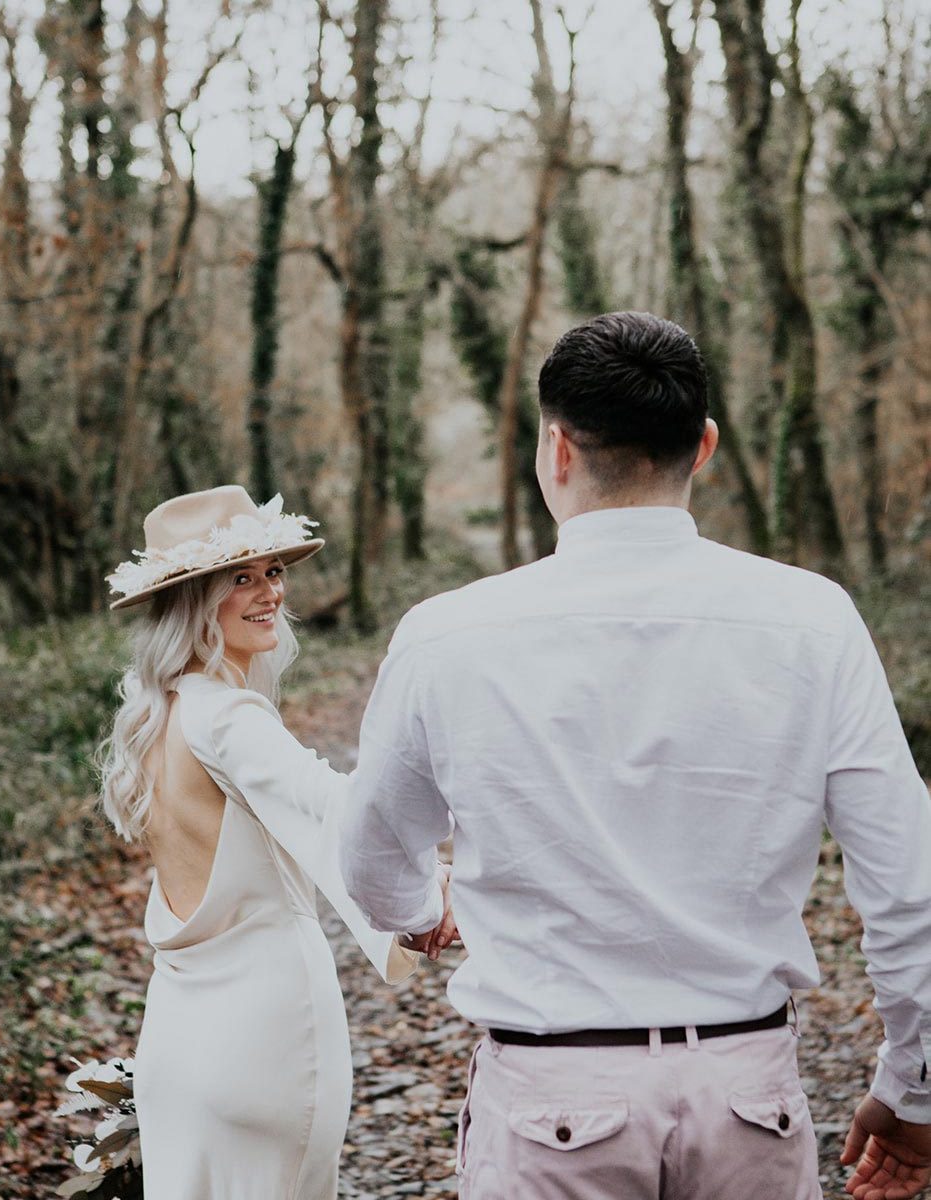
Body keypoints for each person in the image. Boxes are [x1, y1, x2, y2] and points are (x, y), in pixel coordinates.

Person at [339, 311, 931, 1200]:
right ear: (704, 447)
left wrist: (423, 910)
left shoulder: (446, 635)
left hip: (549, 1099)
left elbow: (370, 854)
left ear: (556, 450)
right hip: (746, 1094)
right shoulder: (813, 620)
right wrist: (913, 1085)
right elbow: (904, 877)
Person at [97, 485, 423, 1200]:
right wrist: (431, 898)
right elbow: (340, 807)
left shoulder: (161, 716)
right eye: (240, 578)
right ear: (192, 601)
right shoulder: (227, 717)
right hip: (268, 1037)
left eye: (273, 571)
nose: (268, 591)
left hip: (177, 1048)